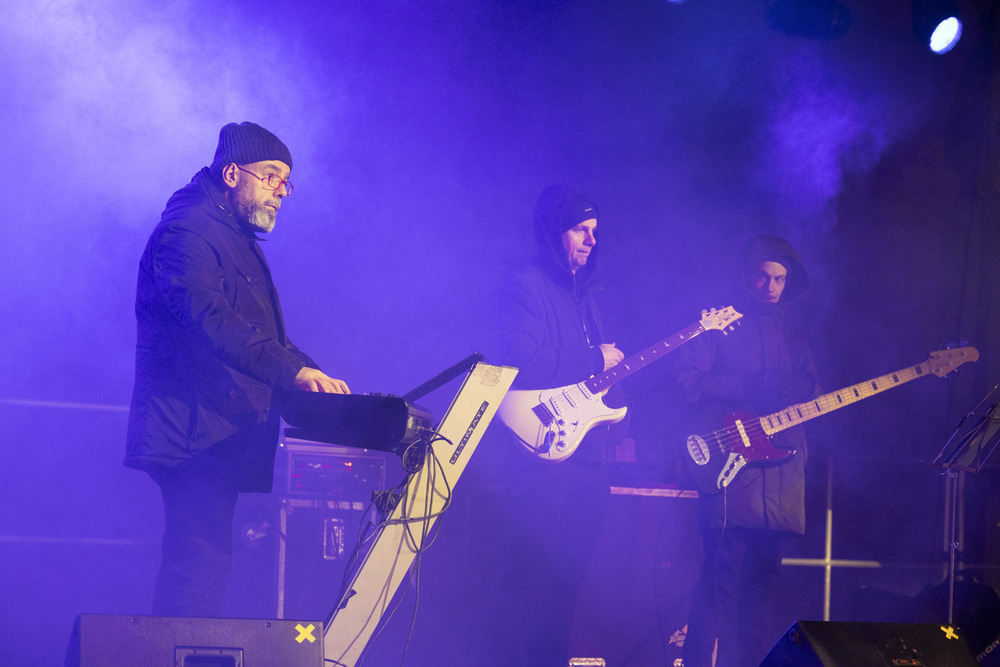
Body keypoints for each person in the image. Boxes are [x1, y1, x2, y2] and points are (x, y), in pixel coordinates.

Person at [125, 122, 349, 618]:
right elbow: (210, 319)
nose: (280, 192)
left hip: (214, 432)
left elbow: (264, 336)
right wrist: (292, 372)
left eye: (286, 182)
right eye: (270, 176)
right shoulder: (187, 231)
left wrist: (307, 372)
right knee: (197, 567)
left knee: (207, 566)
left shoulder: (229, 234)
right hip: (190, 433)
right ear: (231, 173)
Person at [486, 185, 626, 665]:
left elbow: (590, 383)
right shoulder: (524, 285)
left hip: (586, 460)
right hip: (539, 461)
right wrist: (594, 358)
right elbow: (519, 359)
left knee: (568, 581)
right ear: (553, 231)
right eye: (580, 230)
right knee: (529, 578)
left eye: (594, 232)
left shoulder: (587, 296)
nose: (590, 241)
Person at [670, 235, 819, 667]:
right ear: (745, 276)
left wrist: (804, 392)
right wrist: (750, 387)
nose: (772, 287)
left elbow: (815, 392)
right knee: (721, 584)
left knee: (764, 592)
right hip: (731, 481)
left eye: (780, 279)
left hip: (783, 481)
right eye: (764, 276)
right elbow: (685, 382)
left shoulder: (795, 336)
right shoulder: (719, 323)